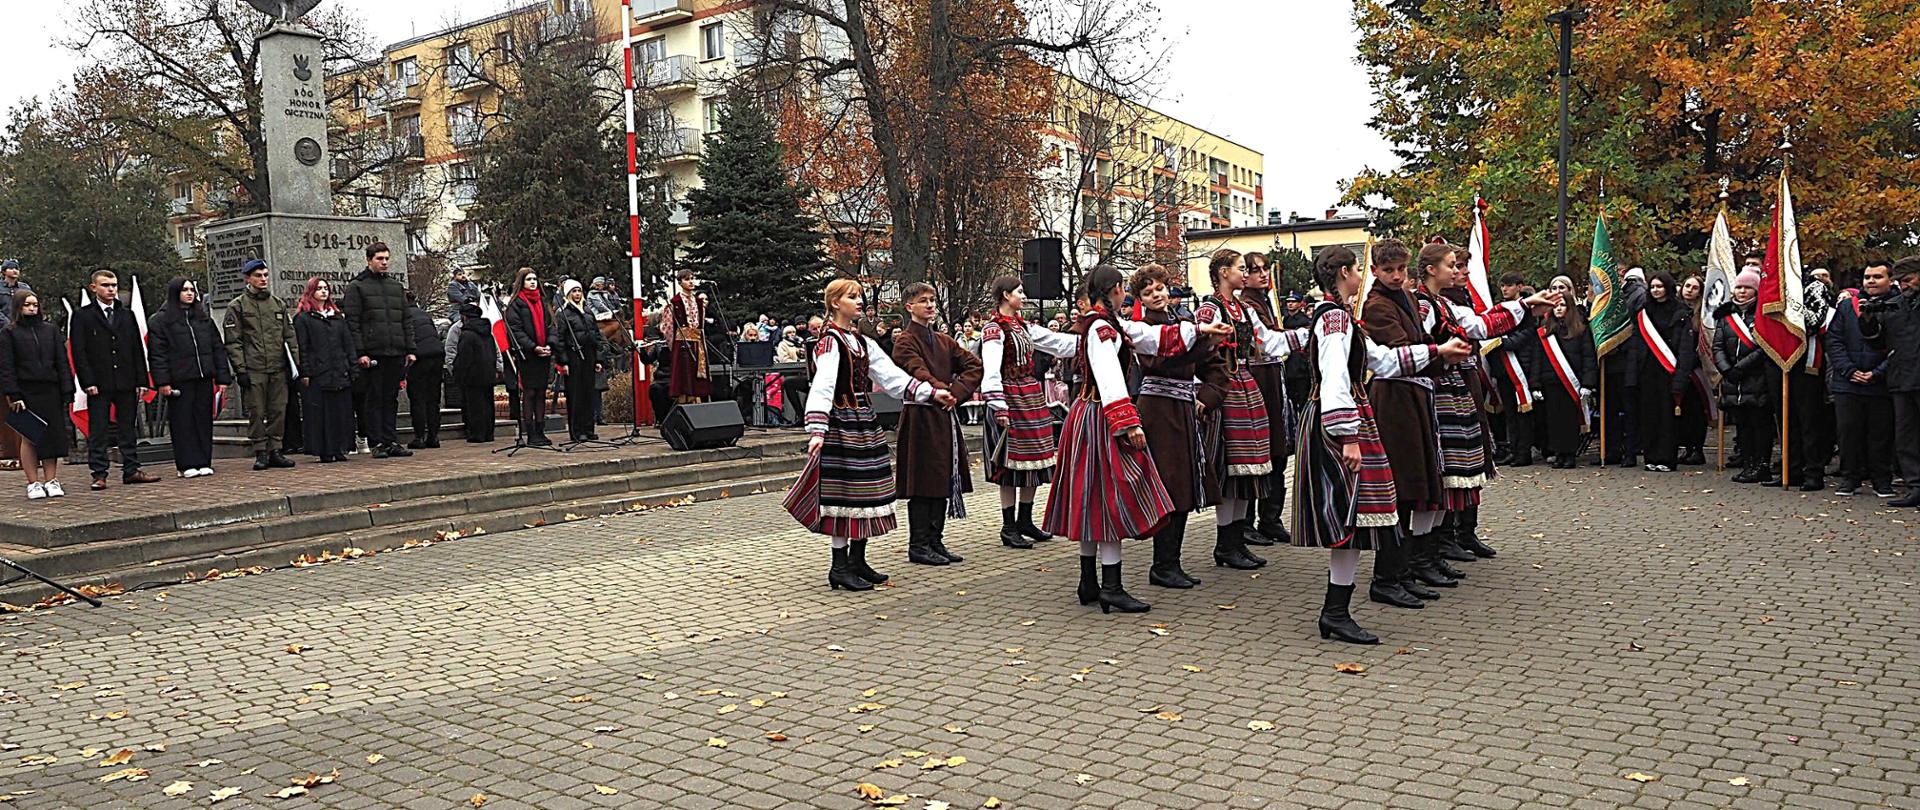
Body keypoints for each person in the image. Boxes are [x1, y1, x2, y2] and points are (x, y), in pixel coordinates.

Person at [1294, 247, 1465, 642]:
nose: (1360, 277)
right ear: (1342, 273)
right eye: (1357, 269)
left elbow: (1383, 360)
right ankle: (1335, 611)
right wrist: (1349, 436)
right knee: (1348, 516)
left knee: (1356, 518)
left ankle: (1335, 611)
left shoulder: (1343, 318)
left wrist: (1436, 351)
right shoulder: (1334, 318)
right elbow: (1336, 375)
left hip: (1349, 418)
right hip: (1340, 423)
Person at [786, 278, 945, 592]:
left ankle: (858, 560)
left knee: (866, 494)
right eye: (852, 297)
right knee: (843, 495)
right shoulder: (831, 340)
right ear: (835, 303)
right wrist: (817, 429)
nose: (859, 301)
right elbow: (824, 385)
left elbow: (892, 378)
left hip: (863, 421)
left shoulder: (862, 342)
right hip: (842, 423)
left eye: (859, 296)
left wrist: (930, 393)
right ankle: (839, 566)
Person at [1413, 243, 1553, 581]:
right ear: (1433, 270)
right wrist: (1447, 347)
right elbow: (1420, 344)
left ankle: (1435, 551)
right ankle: (1424, 555)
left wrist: (1525, 305)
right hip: (1436, 391)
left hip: (1453, 388)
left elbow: (1481, 326)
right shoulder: (1421, 304)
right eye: (1452, 265)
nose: (1458, 271)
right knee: (1442, 475)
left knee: (1455, 472)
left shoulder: (1443, 303)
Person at [1043, 265, 1178, 614]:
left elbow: (1151, 336)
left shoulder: (1100, 323)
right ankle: (1111, 586)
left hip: (1084, 414)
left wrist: (1199, 330)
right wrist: (1127, 422)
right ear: (1116, 289)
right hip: (1101, 416)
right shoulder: (1102, 327)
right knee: (1108, 497)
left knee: (1090, 496)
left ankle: (1089, 581)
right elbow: (1108, 375)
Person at [1195, 249, 1309, 571]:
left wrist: (1305, 334)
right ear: (1222, 272)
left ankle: (1236, 542)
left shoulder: (1244, 309)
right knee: (1230, 470)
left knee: (1250, 469)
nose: (1244, 273)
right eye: (1240, 268)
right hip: (1226, 388)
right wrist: (1205, 392)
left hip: (1246, 386)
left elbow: (1269, 343)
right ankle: (1224, 543)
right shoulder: (1209, 309)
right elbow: (1201, 351)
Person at [1130, 264, 1227, 590]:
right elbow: (1160, 359)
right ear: (1140, 298)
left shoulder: (1185, 323)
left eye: (1159, 288)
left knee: (1184, 485)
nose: (1156, 295)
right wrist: (1202, 336)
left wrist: (1206, 398)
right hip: (1157, 412)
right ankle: (1162, 564)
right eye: (1148, 292)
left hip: (1185, 410)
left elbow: (1214, 366)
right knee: (1168, 485)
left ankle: (1171, 561)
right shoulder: (1141, 330)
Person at [979, 275, 1078, 549]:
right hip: (1011, 396)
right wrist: (997, 404)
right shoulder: (994, 329)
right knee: (1010, 462)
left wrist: (1088, 341)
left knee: (1036, 459)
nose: (1024, 296)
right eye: (1019, 292)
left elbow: (1057, 342)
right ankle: (1008, 525)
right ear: (1005, 295)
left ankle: (1025, 519)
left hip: (1031, 395)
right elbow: (991, 368)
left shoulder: (1023, 326)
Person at [890, 282, 985, 566]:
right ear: (910, 306)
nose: (930, 305)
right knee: (923, 481)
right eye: (923, 301)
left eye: (932, 300)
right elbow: (914, 369)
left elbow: (974, 365)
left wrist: (954, 394)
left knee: (942, 475)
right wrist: (937, 390)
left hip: (942, 414)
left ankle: (935, 540)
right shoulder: (905, 340)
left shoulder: (944, 340)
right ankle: (918, 544)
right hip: (920, 417)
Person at [71, 270, 159, 490]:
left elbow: (137, 349)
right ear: (94, 288)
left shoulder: (126, 315)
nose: (111, 289)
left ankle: (131, 470)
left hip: (126, 380)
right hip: (99, 383)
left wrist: (141, 380)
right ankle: (99, 473)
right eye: (105, 285)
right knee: (99, 429)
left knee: (127, 428)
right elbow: (79, 352)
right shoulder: (83, 316)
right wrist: (87, 381)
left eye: (114, 285)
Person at [1239, 252, 1297, 546]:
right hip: (1259, 381)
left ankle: (1271, 519)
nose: (1262, 274)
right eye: (1254, 270)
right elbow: (1265, 342)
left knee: (1279, 451)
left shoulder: (1264, 302)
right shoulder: (1247, 305)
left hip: (1274, 379)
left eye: (1264, 269)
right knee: (1258, 453)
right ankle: (1246, 522)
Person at [148, 277, 231, 478]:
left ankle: (204, 460)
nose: (189, 293)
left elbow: (217, 348)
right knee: (182, 422)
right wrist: (163, 382)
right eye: (184, 290)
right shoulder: (161, 320)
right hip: (179, 379)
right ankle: (185, 464)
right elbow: (158, 354)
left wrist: (222, 378)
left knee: (203, 420)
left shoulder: (203, 319)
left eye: (191, 290)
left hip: (203, 377)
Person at [1826, 262, 1896, 497]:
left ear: (1890, 279)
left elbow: (1902, 346)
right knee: (1848, 433)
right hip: (1848, 383)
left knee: (1881, 435)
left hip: (1882, 383)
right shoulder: (1847, 307)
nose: (1871, 281)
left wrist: (1877, 373)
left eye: (1878, 276)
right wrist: (1848, 370)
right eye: (1867, 277)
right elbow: (1834, 341)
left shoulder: (1898, 306)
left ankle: (1882, 480)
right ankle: (1849, 478)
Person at [223, 259, 299, 471]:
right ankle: (260, 451)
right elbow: (233, 341)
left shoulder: (278, 304)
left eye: (265, 275)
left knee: (278, 410)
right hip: (254, 368)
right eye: (258, 275)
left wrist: (295, 366)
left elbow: (289, 337)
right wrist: (240, 369)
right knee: (256, 411)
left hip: (277, 367)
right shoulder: (237, 306)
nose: (263, 279)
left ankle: (276, 449)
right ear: (248, 278)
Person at [340, 243, 414, 458]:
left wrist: (410, 348)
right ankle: (377, 442)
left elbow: (405, 319)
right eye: (379, 258)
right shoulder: (357, 287)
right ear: (369, 260)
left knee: (390, 398)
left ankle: (391, 440)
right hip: (372, 353)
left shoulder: (395, 286)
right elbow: (353, 323)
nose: (384, 263)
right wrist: (360, 352)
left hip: (395, 351)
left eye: (386, 258)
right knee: (373, 398)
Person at [0, 291, 73, 498]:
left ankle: (51, 480)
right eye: (27, 305)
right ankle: (33, 482)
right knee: (30, 436)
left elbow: (61, 361)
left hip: (50, 389)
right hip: (26, 391)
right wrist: (13, 393)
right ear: (18, 307)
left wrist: (67, 388)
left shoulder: (50, 330)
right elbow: (6, 366)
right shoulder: (9, 333)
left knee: (52, 436)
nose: (32, 308)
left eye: (35, 304)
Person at [1631, 271, 1697, 472]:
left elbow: (1686, 347)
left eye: (1659, 286)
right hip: (1647, 371)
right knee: (1649, 415)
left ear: (1668, 287)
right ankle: (1650, 456)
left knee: (1668, 417)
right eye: (1652, 287)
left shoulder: (1680, 312)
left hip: (1669, 370)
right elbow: (1636, 344)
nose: (1655, 290)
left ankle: (1667, 458)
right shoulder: (1643, 312)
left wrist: (1681, 376)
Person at [1714, 269, 1774, 483]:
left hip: (1757, 378)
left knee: (1760, 425)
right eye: (1738, 287)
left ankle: (1762, 465)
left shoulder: (1764, 313)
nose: (1741, 291)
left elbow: (1764, 346)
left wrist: (1742, 367)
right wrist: (1726, 369)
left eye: (1747, 287)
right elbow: (1718, 345)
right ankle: (1748, 464)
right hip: (1733, 381)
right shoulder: (1725, 315)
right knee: (1743, 427)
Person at [291, 278, 356, 463]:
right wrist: (305, 372)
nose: (323, 292)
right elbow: (302, 347)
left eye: (326, 288)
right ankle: (324, 450)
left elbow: (347, 344)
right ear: (311, 292)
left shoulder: (337, 318)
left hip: (339, 371)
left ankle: (339, 447)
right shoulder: (303, 318)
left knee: (340, 412)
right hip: (318, 373)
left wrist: (351, 366)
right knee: (322, 413)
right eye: (319, 289)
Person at [1882, 256, 1920, 507]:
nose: (1904, 286)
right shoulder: (1894, 305)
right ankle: (1915, 485)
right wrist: (1867, 324)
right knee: (1906, 436)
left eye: (1908, 280)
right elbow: (1878, 342)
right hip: (1901, 378)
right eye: (1900, 282)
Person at [504, 267, 555, 446]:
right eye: (528, 279)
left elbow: (551, 326)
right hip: (528, 355)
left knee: (541, 392)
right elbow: (516, 331)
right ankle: (531, 432)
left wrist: (550, 344)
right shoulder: (516, 304)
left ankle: (541, 431)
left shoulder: (542, 301)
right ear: (521, 282)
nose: (533, 282)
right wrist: (534, 347)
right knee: (530, 392)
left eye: (534, 279)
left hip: (544, 354)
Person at [551, 279, 605, 443]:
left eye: (579, 291)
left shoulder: (588, 312)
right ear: (568, 294)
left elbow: (596, 336)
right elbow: (560, 340)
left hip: (588, 356)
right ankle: (577, 431)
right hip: (573, 357)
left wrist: (598, 359)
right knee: (576, 395)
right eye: (573, 291)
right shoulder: (564, 314)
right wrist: (564, 361)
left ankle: (589, 429)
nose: (577, 294)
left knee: (589, 393)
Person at [449, 303, 499, 443]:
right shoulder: (487, 333)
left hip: (472, 376)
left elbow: (464, 358)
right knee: (488, 405)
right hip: (487, 373)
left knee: (475, 406)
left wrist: (458, 373)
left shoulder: (467, 335)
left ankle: (477, 434)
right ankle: (488, 433)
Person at [403, 292, 446, 450]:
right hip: (436, 355)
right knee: (433, 399)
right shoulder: (424, 315)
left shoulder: (405, 316)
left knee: (418, 398)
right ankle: (433, 436)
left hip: (419, 358)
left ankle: (419, 436)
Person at [665, 269, 711, 404]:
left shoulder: (699, 302)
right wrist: (673, 346)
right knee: (684, 376)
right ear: (679, 282)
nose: (691, 282)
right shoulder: (674, 302)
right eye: (687, 279)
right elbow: (667, 328)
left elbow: (701, 325)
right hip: (681, 343)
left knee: (696, 377)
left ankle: (696, 400)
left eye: (692, 278)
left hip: (697, 342)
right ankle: (684, 402)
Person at [0, 260, 29, 329]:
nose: (14, 270)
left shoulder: (25, 287)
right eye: (11, 268)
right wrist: (6, 323)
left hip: (22, 327)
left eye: (16, 268)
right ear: (4, 271)